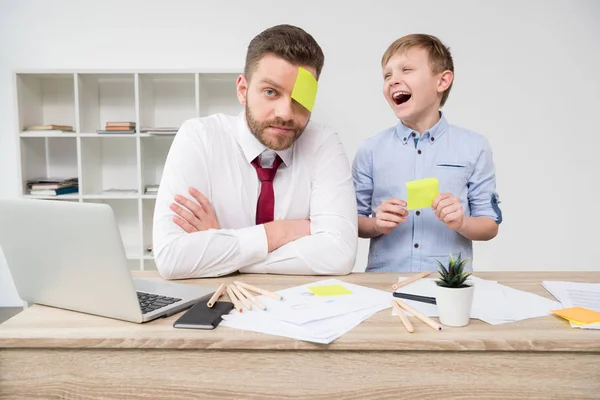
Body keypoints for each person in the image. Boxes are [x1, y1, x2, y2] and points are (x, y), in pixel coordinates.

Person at [153, 24, 357, 279]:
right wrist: (280, 232)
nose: (285, 113)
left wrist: (225, 250)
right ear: (243, 90)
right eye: (270, 92)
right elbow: (172, 258)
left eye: (301, 98)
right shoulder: (199, 137)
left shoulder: (323, 142)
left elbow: (338, 254)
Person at [352, 34, 502, 272]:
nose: (393, 80)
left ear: (442, 81)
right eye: (387, 75)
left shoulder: (475, 147)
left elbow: (489, 225)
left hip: (448, 286)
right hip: (384, 284)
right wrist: (377, 224)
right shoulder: (370, 150)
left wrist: (461, 221)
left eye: (406, 70)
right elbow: (351, 222)